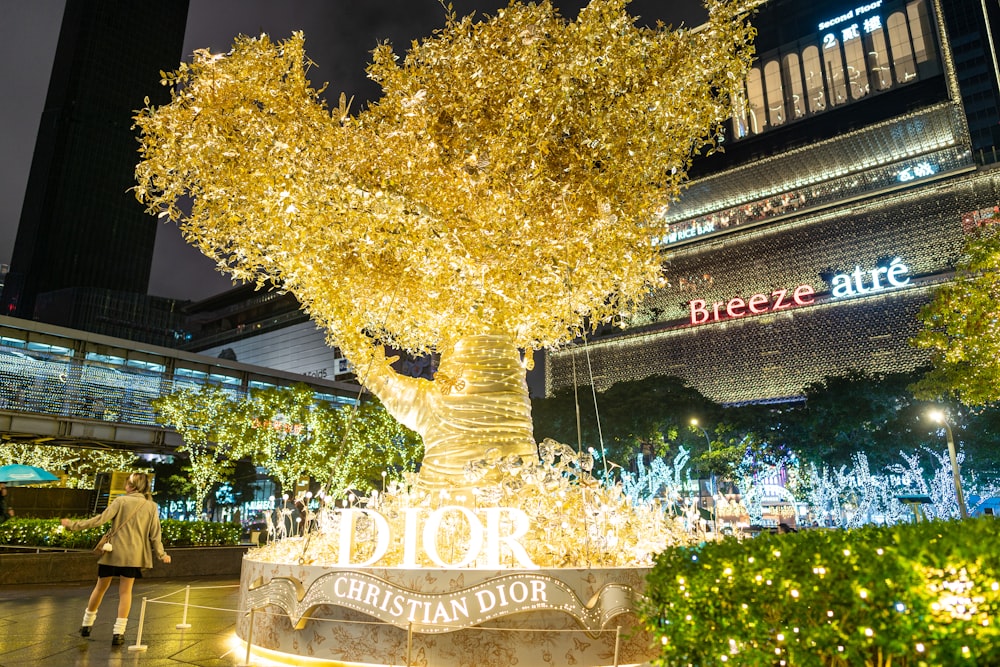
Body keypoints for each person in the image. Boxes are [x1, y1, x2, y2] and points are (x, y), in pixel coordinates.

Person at [60, 472, 171, 646]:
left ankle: (86, 625)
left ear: (132, 486)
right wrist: (161, 554)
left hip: (113, 553)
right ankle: (118, 633)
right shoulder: (151, 506)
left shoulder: (120, 501)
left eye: (127, 483)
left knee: (100, 587)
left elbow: (99, 520)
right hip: (134, 557)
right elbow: (155, 535)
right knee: (126, 592)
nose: (125, 485)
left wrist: (73, 525)